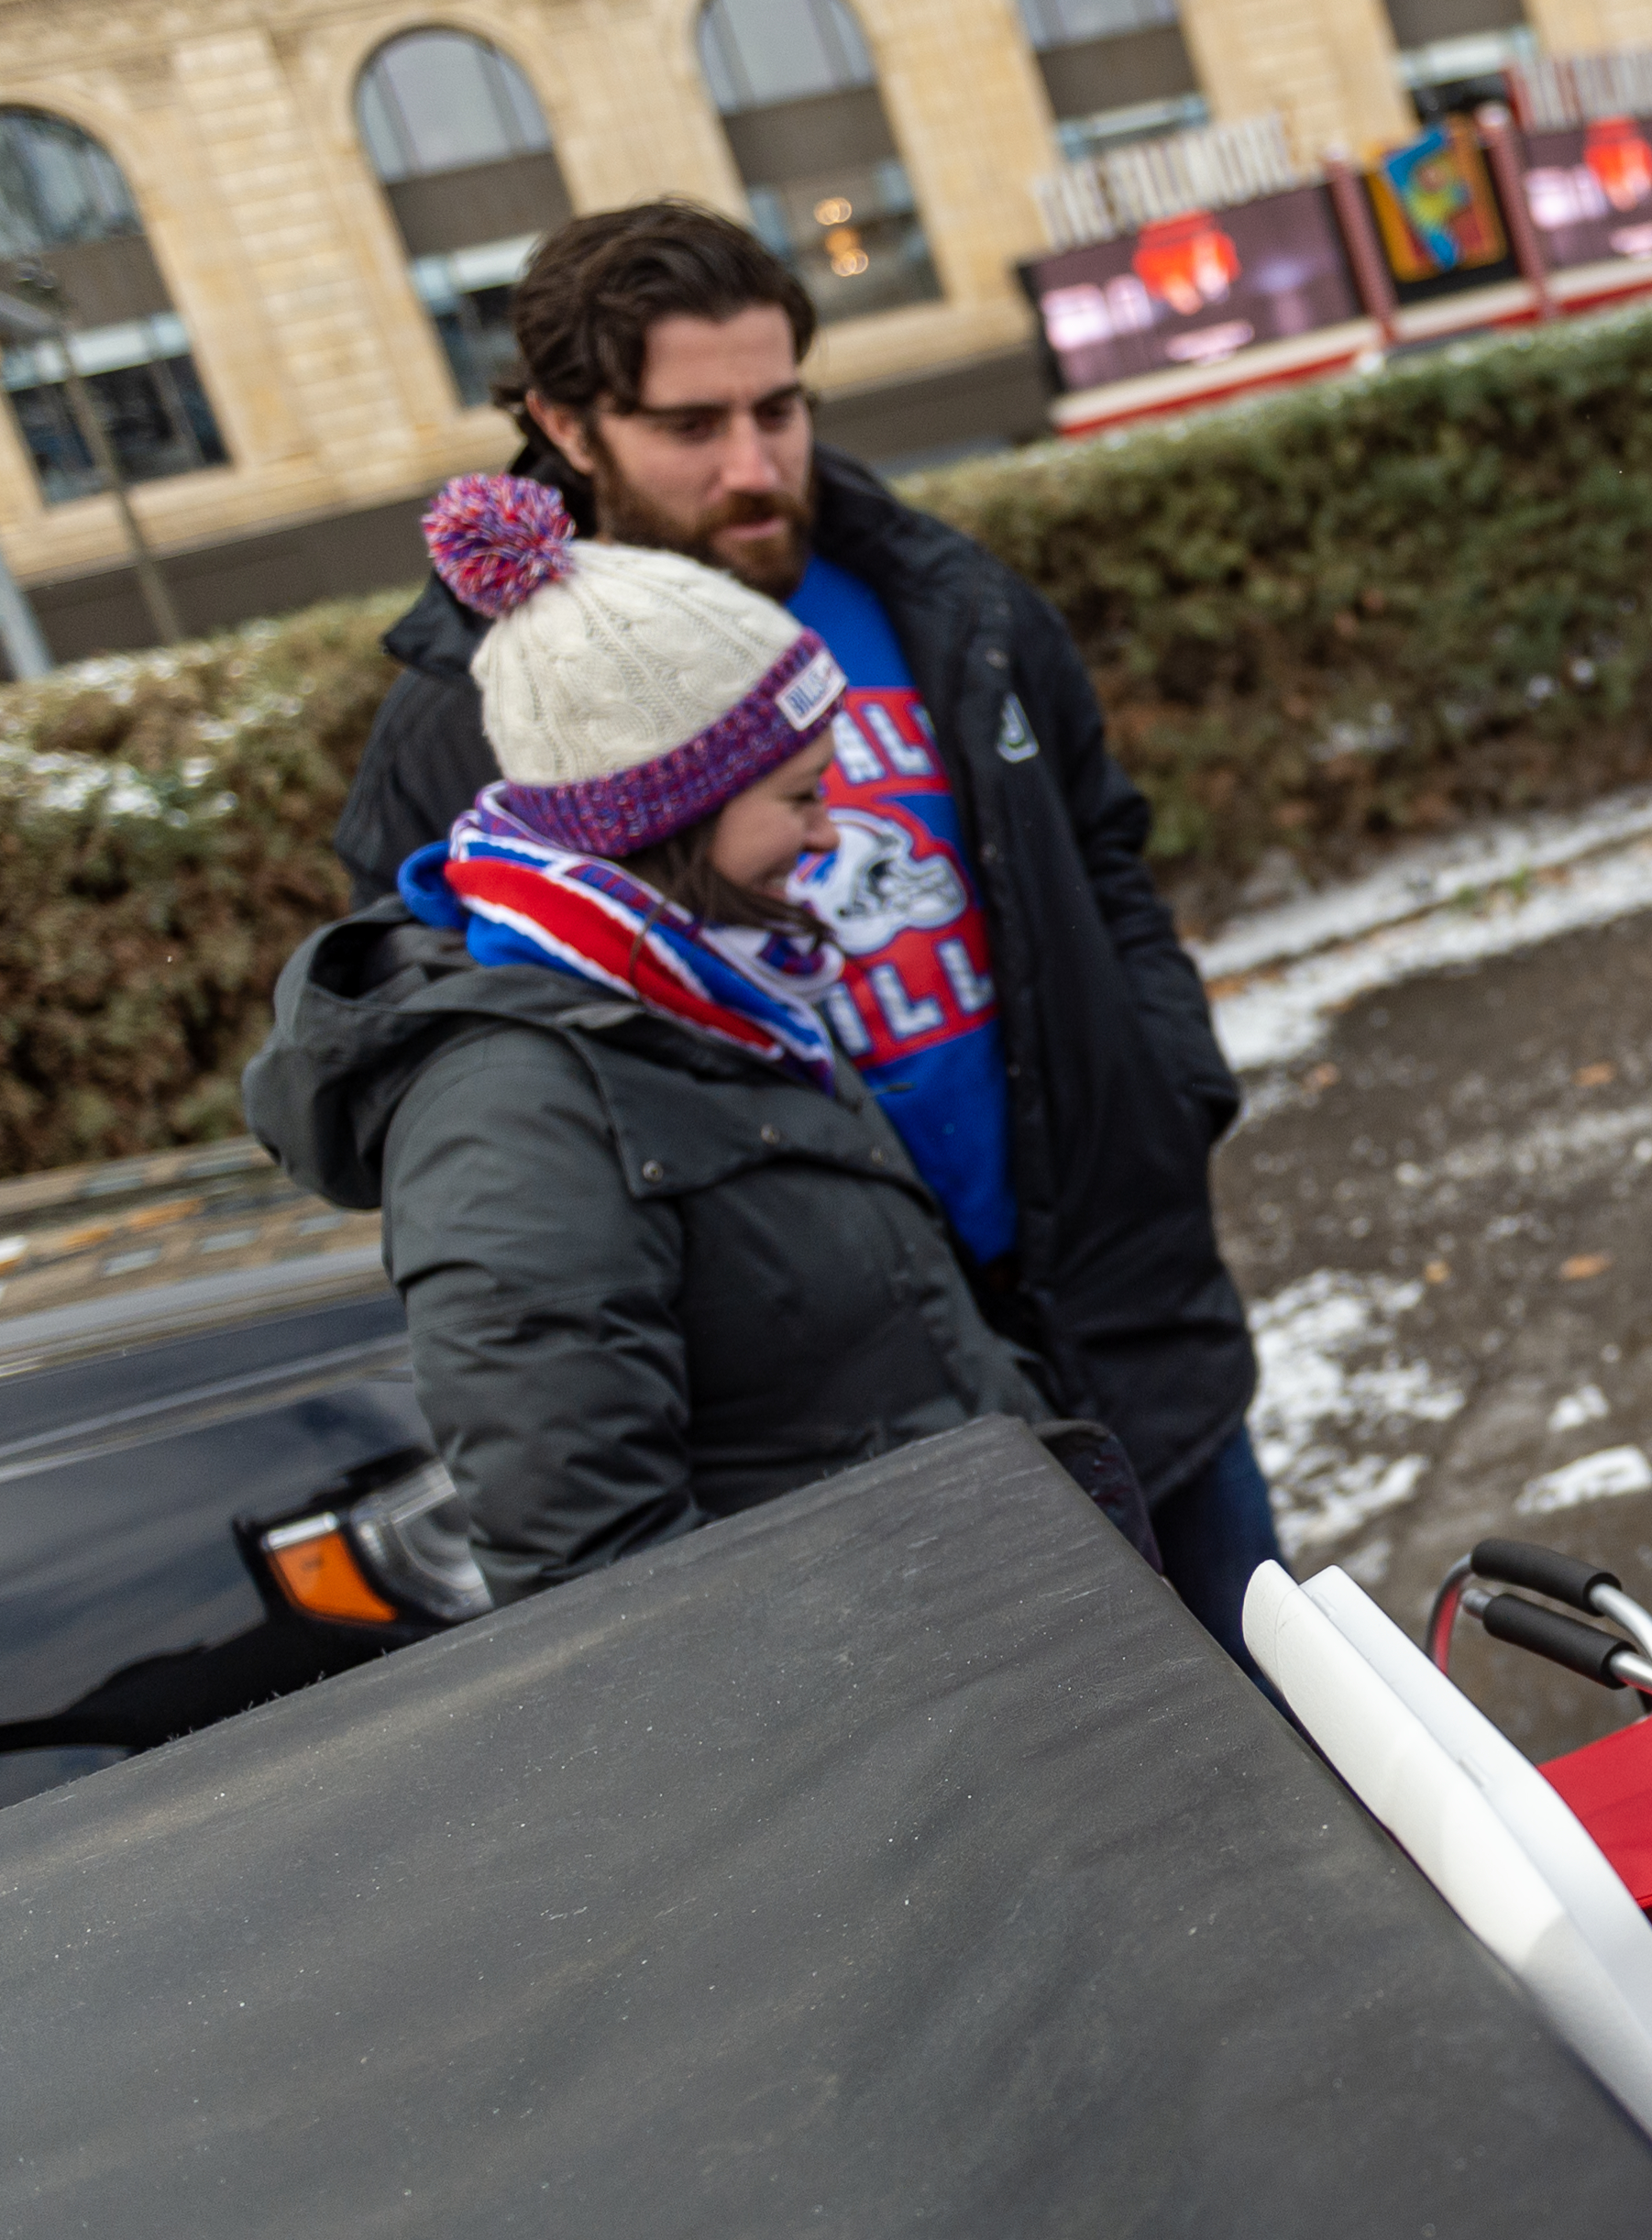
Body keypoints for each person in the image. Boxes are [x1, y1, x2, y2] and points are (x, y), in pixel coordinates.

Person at [325, 204, 1272, 1654]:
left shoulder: (943, 595)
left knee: (1303, 1771)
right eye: (692, 425)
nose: (756, 467)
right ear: (565, 427)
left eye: (779, 409)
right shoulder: (472, 719)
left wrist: (1162, 1080)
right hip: (847, 1428)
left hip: (1118, 1324)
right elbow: (472, 1078)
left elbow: (1101, 850)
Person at [251, 479, 1063, 1598]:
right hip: (890, 1712)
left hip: (990, 1627)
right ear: (665, 811)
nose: (829, 830)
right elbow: (600, 1582)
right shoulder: (512, 1123)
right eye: (800, 793)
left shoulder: (716, 992)